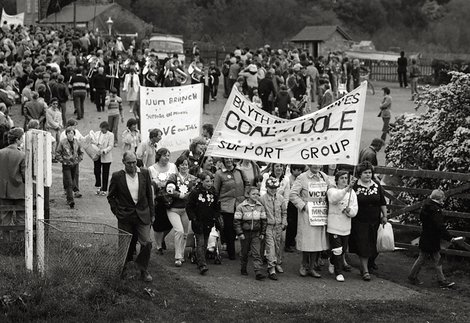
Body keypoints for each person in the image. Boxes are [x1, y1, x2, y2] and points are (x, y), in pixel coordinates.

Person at [107, 151, 154, 282]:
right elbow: (111, 196)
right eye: (129, 163)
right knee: (124, 245)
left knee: (147, 242)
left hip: (142, 214)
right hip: (125, 216)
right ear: (124, 162)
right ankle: (121, 271)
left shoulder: (144, 173)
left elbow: (149, 195)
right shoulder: (118, 176)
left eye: (134, 162)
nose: (132, 165)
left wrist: (152, 214)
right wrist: (117, 212)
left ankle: (142, 269)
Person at [408, 189, 458, 288]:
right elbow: (439, 226)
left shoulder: (426, 207)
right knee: (434, 259)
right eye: (442, 198)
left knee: (424, 258)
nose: (443, 200)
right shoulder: (435, 210)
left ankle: (413, 276)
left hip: (426, 236)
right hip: (433, 238)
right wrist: (449, 237)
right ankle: (441, 280)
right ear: (439, 199)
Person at [289, 164, 332, 278]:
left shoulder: (324, 177)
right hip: (307, 214)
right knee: (307, 241)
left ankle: (312, 267)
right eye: (314, 163)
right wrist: (304, 206)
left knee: (317, 241)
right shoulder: (302, 177)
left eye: (319, 163)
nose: (317, 166)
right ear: (309, 164)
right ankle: (304, 265)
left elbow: (332, 192)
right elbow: (293, 195)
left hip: (320, 214)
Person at [349, 161, 388, 281]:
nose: (368, 175)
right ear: (360, 174)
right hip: (359, 220)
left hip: (374, 220)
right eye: (365, 173)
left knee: (373, 244)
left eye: (370, 172)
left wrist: (385, 215)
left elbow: (382, 202)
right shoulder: (355, 185)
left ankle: (369, 264)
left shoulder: (376, 185)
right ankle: (365, 270)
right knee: (363, 244)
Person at [214, 158, 249, 260]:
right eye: (226, 159)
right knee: (229, 229)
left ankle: (243, 251)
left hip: (240, 204)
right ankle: (231, 252)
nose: (229, 160)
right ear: (223, 160)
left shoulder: (240, 171)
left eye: (230, 158)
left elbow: (247, 183)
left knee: (240, 228)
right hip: (226, 205)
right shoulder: (219, 173)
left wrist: (246, 195)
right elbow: (216, 190)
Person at [186, 171, 221, 275]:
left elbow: (217, 207)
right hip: (198, 222)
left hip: (209, 222)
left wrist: (215, 217)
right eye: (207, 181)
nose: (209, 183)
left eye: (211, 181)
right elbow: (189, 207)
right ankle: (202, 264)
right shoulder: (195, 192)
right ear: (201, 181)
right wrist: (193, 218)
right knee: (200, 242)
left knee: (205, 242)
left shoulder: (213, 192)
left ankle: (201, 259)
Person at [166, 155, 198, 266]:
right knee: (178, 230)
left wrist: (191, 194)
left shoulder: (193, 179)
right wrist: (180, 196)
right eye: (182, 164)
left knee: (185, 233)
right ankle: (178, 257)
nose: (184, 166)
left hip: (186, 210)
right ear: (178, 165)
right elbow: (169, 190)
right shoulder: (173, 177)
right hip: (173, 209)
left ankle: (182, 253)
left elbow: (195, 191)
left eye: (186, 164)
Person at [327, 170, 358, 282]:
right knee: (338, 249)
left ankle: (331, 260)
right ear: (337, 180)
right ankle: (338, 272)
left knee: (343, 249)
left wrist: (350, 211)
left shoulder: (352, 193)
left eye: (346, 178)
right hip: (334, 225)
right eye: (342, 178)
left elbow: (355, 210)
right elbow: (335, 198)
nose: (345, 180)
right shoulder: (331, 191)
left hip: (345, 226)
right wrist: (347, 188)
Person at [234, 187, 267, 280]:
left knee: (256, 252)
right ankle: (243, 267)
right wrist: (240, 233)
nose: (256, 196)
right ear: (248, 195)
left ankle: (258, 271)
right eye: (253, 194)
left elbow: (263, 220)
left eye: (257, 194)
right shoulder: (241, 207)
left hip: (256, 233)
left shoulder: (260, 206)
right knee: (244, 252)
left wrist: (262, 232)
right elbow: (237, 221)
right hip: (245, 233)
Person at [149, 148, 178, 254]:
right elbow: (149, 185)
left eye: (168, 155)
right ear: (159, 156)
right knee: (158, 225)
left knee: (170, 223)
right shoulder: (151, 169)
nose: (167, 157)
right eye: (165, 155)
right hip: (158, 201)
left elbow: (177, 180)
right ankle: (159, 246)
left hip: (171, 200)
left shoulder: (173, 167)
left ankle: (161, 239)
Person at [259, 177, 287, 280]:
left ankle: (277, 263)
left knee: (277, 246)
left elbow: (284, 212)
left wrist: (284, 222)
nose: (273, 190)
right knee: (270, 247)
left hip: (279, 226)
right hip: (268, 226)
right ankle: (271, 269)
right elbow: (261, 213)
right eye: (271, 188)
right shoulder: (262, 199)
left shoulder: (281, 198)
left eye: (275, 188)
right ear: (266, 187)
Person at [0, 128, 25, 230]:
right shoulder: (22, 155)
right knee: (21, 218)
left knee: (4, 218)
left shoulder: (1, 153)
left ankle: (6, 243)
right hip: (19, 191)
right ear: (17, 139)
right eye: (22, 137)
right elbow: (24, 174)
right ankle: (20, 243)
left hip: (3, 190)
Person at [56, 127, 83, 209]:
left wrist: (78, 160)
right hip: (66, 164)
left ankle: (72, 192)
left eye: (71, 133)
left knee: (73, 179)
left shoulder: (77, 142)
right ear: (66, 134)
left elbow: (81, 152)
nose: (70, 135)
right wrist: (62, 161)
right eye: (68, 133)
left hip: (74, 164)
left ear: (74, 134)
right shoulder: (62, 142)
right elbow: (57, 153)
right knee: (69, 182)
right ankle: (70, 200)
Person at [283, 164, 305, 252]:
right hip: (291, 204)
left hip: (299, 203)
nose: (299, 172)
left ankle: (292, 242)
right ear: (292, 170)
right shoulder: (289, 179)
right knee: (291, 225)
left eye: (300, 170)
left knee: (296, 225)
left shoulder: (301, 179)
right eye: (297, 170)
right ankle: (288, 244)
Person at [92, 121, 114, 196]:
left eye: (103, 128)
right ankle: (98, 186)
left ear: (107, 128)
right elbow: (93, 141)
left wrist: (105, 150)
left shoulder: (110, 135)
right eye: (101, 128)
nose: (102, 130)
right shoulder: (97, 133)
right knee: (97, 171)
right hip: (97, 154)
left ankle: (104, 189)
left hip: (106, 156)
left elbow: (111, 145)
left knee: (105, 173)